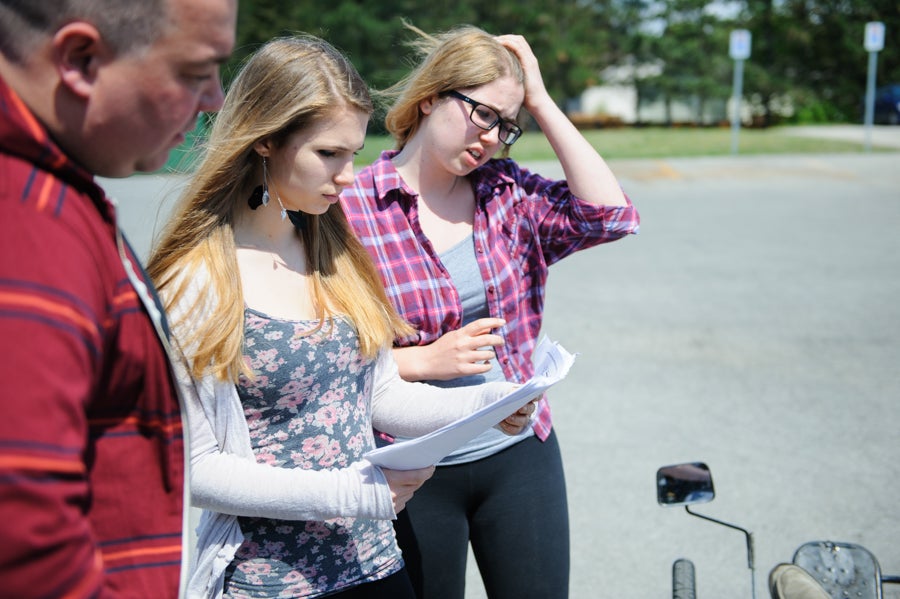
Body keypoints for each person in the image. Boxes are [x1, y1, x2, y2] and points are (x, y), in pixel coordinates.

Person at [146, 35, 535, 599]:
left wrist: (489, 404)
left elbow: (379, 397)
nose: (349, 175)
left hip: (377, 566)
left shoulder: (333, 246)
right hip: (270, 586)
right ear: (265, 142)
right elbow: (198, 469)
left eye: (353, 153)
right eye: (328, 154)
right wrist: (355, 494)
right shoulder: (196, 279)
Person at [341, 24, 640, 599]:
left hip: (518, 455)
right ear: (431, 97)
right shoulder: (352, 205)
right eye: (482, 115)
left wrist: (541, 101)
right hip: (411, 467)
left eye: (506, 127)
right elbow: (314, 351)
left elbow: (611, 216)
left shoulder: (507, 191)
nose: (491, 139)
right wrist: (421, 361)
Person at [0, 0, 236, 596]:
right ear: (80, 60)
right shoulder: (26, 220)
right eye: (194, 72)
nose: (215, 99)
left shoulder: (48, 187)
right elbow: (22, 530)